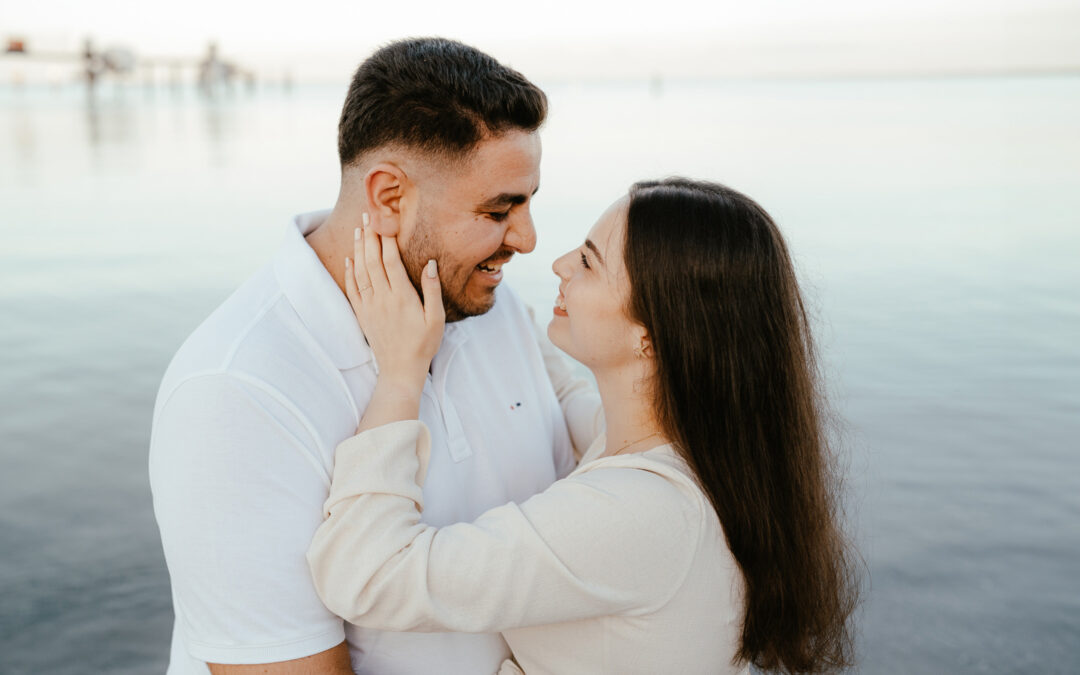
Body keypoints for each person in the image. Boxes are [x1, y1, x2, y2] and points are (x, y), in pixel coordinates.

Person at [149, 38, 601, 675]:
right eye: (499, 209)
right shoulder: (234, 392)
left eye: (527, 202)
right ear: (390, 197)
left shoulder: (483, 297)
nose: (526, 240)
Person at [308, 178, 861, 674]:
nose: (559, 262)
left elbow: (370, 576)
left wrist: (402, 372)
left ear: (653, 335)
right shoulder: (699, 444)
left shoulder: (640, 513)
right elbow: (571, 399)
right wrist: (483, 295)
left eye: (590, 263)